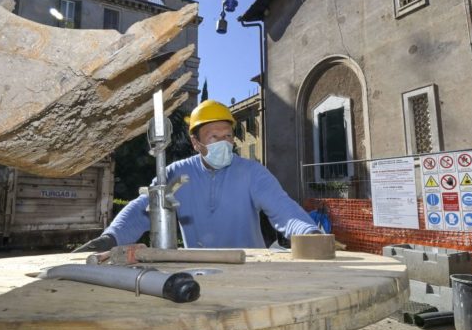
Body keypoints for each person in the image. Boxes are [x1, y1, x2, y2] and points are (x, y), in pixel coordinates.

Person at [75, 99, 323, 251]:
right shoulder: (176, 173)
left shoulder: (251, 172)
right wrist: (110, 238)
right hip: (199, 272)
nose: (223, 143)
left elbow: (283, 209)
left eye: (227, 136)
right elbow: (143, 210)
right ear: (195, 142)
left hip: (250, 271)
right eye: (213, 137)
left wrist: (309, 233)